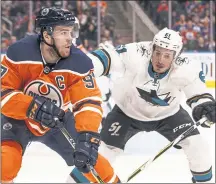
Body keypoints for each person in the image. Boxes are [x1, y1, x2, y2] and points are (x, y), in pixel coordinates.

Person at [68, 28, 215, 183]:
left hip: (169, 115)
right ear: (152, 48)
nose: (160, 60)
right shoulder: (137, 52)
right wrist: (79, 69)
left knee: (198, 147)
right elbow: (106, 58)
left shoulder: (186, 67)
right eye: (157, 53)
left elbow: (199, 95)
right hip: (126, 113)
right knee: (100, 153)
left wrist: (205, 107)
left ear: (176, 56)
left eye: (167, 55)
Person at [1, 7, 120, 183]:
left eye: (71, 32)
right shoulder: (18, 53)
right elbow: (4, 93)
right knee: (5, 164)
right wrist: (32, 107)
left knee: (93, 162)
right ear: (47, 35)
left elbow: (88, 102)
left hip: (59, 119)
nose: (70, 38)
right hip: (19, 119)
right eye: (63, 32)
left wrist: (87, 135)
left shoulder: (79, 62)